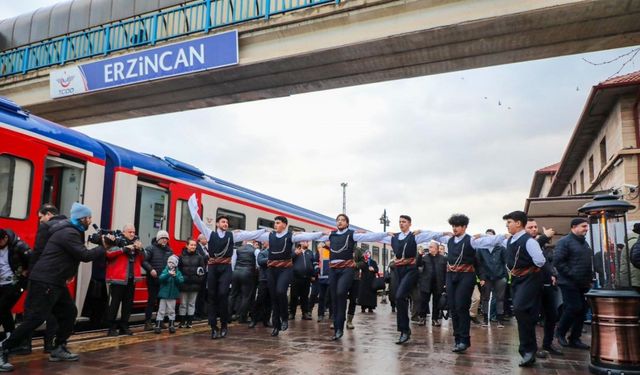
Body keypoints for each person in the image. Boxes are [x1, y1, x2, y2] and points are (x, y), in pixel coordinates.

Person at [1, 203, 106, 371]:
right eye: (89, 217)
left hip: (55, 280)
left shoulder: (73, 231)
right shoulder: (68, 232)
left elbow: (74, 255)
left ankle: (58, 347)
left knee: (69, 312)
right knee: (35, 319)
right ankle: (3, 348)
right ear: (82, 218)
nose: (90, 220)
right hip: (46, 280)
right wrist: (104, 247)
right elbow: (84, 255)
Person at [188, 195, 267, 339]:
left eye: (227, 222)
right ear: (217, 223)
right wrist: (193, 207)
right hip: (212, 268)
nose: (225, 223)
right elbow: (197, 221)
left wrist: (262, 232)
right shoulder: (209, 234)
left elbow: (248, 234)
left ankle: (224, 324)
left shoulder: (232, 236)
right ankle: (213, 326)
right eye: (223, 221)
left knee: (223, 295)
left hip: (225, 269)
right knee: (212, 297)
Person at [317, 214, 388, 341]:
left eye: (342, 220)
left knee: (341, 293)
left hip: (349, 272)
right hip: (334, 270)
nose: (340, 222)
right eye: (338, 220)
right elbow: (317, 236)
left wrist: (385, 234)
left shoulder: (353, 237)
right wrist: (295, 236)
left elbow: (369, 237)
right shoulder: (332, 236)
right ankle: (338, 327)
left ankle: (343, 323)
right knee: (334, 297)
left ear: (347, 223)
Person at [441, 214, 505, 353]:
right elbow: (430, 236)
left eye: (457, 226)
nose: (454, 228)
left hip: (466, 276)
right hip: (451, 275)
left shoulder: (472, 240)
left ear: (464, 227)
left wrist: (483, 234)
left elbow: (492, 241)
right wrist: (425, 233)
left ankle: (464, 340)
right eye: (453, 226)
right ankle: (457, 338)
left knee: (461, 306)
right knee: (452, 306)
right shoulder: (449, 240)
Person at [380, 215, 450, 344]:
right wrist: (355, 234)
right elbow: (375, 237)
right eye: (400, 222)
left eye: (404, 222)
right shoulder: (394, 237)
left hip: (410, 269)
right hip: (399, 270)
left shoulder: (415, 236)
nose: (401, 224)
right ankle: (404, 329)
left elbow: (431, 235)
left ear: (410, 224)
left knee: (401, 296)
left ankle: (404, 331)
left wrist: (439, 232)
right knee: (398, 297)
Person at [254, 217, 324, 337]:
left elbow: (308, 236)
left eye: (277, 223)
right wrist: (234, 234)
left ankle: (285, 318)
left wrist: (322, 233)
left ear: (285, 225)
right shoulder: (270, 236)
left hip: (285, 269)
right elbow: (251, 234)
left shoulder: (292, 236)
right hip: (272, 270)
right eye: (274, 223)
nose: (275, 225)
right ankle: (276, 325)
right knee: (274, 297)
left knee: (281, 291)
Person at [502, 211, 546, 367]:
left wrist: (527, 270)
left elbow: (540, 261)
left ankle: (528, 350)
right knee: (522, 314)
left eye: (509, 222)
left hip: (529, 279)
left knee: (520, 309)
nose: (507, 225)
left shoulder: (529, 241)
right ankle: (528, 350)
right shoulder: (510, 240)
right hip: (516, 280)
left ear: (518, 223)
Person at [525, 219, 563, 357]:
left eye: (535, 227)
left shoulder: (542, 245)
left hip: (547, 285)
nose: (534, 229)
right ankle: (532, 348)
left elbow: (545, 263)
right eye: (530, 227)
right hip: (532, 286)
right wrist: (544, 236)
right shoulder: (526, 243)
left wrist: (552, 274)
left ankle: (548, 343)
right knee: (532, 318)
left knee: (552, 316)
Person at [554, 218, 593, 350]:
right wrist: (572, 274)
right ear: (574, 227)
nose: (586, 229)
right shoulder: (564, 242)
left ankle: (575, 338)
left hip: (583, 283)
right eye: (583, 226)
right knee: (573, 307)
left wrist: (589, 279)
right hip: (568, 282)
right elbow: (558, 261)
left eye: (586, 226)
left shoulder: (584, 243)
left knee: (582, 310)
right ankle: (560, 332)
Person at [105, 224, 144, 336]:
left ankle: (124, 326)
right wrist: (124, 249)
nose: (132, 234)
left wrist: (140, 249)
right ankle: (111, 328)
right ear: (124, 232)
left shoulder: (137, 242)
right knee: (115, 304)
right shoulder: (117, 241)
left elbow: (143, 259)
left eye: (133, 232)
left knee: (128, 304)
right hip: (118, 278)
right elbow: (109, 253)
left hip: (131, 278)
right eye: (130, 232)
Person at [0, 229, 30, 342]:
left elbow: (32, 260)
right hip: (1, 282)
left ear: (5, 238)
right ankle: (11, 337)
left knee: (3, 307)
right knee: (3, 309)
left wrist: (25, 271)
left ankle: (11, 336)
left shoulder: (19, 246)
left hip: (14, 282)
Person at [142, 230, 174, 331]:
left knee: (162, 302)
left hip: (164, 280)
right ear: (158, 239)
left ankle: (159, 321)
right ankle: (147, 323)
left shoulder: (170, 250)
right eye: (163, 238)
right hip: (153, 280)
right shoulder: (150, 248)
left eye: (166, 238)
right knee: (151, 301)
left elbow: (172, 263)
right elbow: (143, 261)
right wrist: (151, 270)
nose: (165, 240)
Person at [476, 229, 508, 327]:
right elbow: (478, 264)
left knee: (500, 299)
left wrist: (504, 276)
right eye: (486, 237)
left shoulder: (501, 248)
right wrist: (481, 277)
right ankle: (485, 319)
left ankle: (499, 320)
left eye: (491, 237)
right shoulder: (480, 249)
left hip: (500, 277)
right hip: (486, 278)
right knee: (485, 299)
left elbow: (505, 262)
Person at [178, 238, 206, 328]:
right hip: (184, 284)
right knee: (183, 304)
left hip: (195, 284)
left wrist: (199, 280)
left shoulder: (199, 257)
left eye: (194, 245)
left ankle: (189, 322)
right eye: (191, 245)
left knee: (191, 303)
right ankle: (182, 322)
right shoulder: (181, 257)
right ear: (187, 245)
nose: (193, 246)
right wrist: (180, 279)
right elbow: (178, 270)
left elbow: (203, 271)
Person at [418, 241, 446, 327]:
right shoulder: (424, 258)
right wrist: (419, 255)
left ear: (436, 249)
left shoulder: (443, 258)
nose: (429, 248)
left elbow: (445, 272)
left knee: (436, 302)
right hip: (426, 283)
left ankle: (435, 319)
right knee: (424, 301)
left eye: (431, 247)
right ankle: (422, 318)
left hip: (438, 283)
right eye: (429, 247)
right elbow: (418, 264)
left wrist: (445, 283)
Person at [155, 255, 184, 334]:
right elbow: (161, 279)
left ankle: (171, 325)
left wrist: (175, 276)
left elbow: (181, 281)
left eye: (172, 262)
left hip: (172, 295)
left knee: (171, 311)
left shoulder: (178, 272)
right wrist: (168, 274)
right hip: (164, 295)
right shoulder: (165, 271)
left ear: (176, 263)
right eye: (169, 262)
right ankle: (157, 326)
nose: (170, 264)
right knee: (161, 310)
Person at [230, 241, 257, 324]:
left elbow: (233, 262)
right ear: (254, 242)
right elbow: (258, 264)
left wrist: (234, 271)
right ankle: (242, 318)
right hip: (248, 273)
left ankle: (227, 316)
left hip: (236, 272)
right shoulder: (255, 250)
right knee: (246, 296)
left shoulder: (238, 249)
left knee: (232, 295)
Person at [289, 242, 316, 321]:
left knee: (305, 296)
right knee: (294, 296)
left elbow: (313, 264)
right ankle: (292, 313)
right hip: (296, 278)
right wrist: (295, 254)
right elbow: (288, 258)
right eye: (305, 241)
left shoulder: (310, 252)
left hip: (307, 278)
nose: (307, 242)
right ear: (300, 242)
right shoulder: (294, 251)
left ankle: (305, 313)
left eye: (307, 241)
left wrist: (313, 275)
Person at [249, 242, 272, 328]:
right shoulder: (263, 253)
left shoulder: (277, 254)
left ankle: (266, 320)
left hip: (272, 280)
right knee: (260, 300)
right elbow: (260, 261)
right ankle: (254, 320)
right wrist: (270, 259)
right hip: (264, 280)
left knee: (269, 302)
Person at [310, 242, 331, 322]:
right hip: (322, 278)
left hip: (332, 278)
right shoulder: (321, 250)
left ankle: (332, 315)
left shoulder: (334, 250)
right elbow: (315, 262)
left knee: (331, 297)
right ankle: (320, 315)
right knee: (321, 297)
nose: (329, 242)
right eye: (327, 241)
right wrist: (316, 269)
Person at [194, 234, 209, 320]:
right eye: (205, 238)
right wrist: (207, 257)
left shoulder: (205, 248)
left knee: (202, 294)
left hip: (205, 273)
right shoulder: (197, 248)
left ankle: (202, 312)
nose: (207, 240)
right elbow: (199, 259)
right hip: (200, 273)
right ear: (200, 239)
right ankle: (197, 313)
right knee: (199, 294)